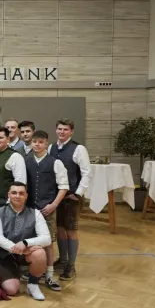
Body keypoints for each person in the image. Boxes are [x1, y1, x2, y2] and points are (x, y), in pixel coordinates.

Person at [0, 182, 51, 301]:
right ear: (9, 194)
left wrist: (25, 243)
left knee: (39, 254)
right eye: (14, 193)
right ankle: (8, 275)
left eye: (21, 193)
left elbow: (47, 238)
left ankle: (33, 284)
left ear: (26, 196)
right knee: (11, 290)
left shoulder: (36, 213)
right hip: (4, 255)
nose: (17, 196)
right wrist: (18, 249)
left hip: (26, 253)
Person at [26, 130, 68, 292]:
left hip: (47, 208)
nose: (37, 144)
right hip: (30, 209)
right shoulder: (26, 161)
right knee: (31, 241)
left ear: (46, 144)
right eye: (34, 141)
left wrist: (54, 205)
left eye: (41, 142)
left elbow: (63, 187)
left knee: (48, 242)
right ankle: (35, 272)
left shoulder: (55, 163)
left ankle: (50, 275)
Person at [50, 118, 91, 281]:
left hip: (71, 196)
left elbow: (86, 173)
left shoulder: (78, 149)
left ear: (71, 131)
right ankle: (63, 260)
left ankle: (71, 266)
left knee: (71, 230)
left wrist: (78, 193)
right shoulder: (52, 147)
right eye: (60, 129)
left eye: (65, 129)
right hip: (56, 196)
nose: (62, 132)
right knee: (60, 229)